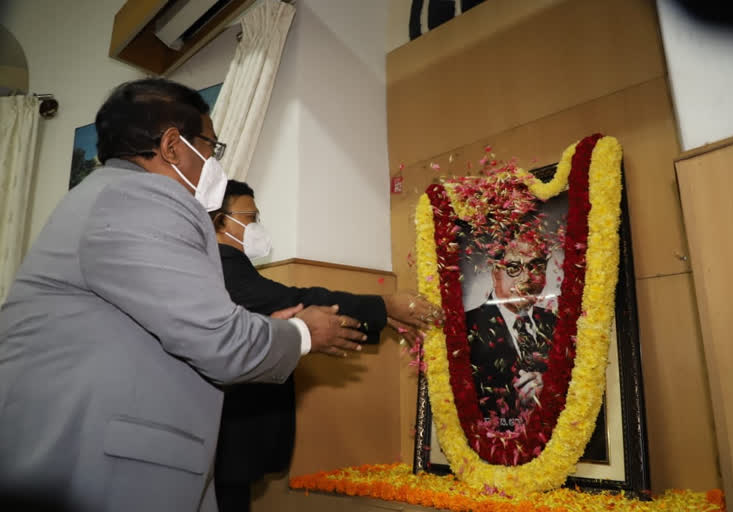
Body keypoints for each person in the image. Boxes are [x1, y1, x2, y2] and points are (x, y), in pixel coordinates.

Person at [0, 78, 367, 512]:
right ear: (173, 146)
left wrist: (269, 330)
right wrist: (305, 334)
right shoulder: (140, 197)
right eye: (211, 146)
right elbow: (218, 340)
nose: (213, 161)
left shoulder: (105, 196)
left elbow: (185, 326)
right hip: (101, 469)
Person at [208, 180, 443, 512]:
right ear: (220, 220)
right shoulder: (223, 267)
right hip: (228, 446)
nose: (257, 227)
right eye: (251, 217)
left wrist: (380, 312)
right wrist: (384, 305)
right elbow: (299, 301)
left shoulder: (228, 267)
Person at [465, 236, 556, 425]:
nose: (525, 279)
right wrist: (515, 401)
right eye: (514, 268)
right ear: (494, 271)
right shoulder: (464, 327)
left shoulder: (559, 324)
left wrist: (549, 389)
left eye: (535, 267)